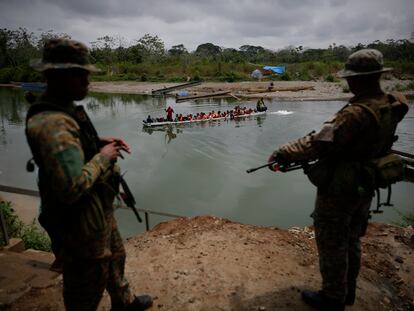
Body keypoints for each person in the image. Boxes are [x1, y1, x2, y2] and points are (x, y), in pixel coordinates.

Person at [267, 49, 408, 310]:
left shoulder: (356, 112)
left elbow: (318, 143)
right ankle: (348, 292)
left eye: (351, 78)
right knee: (352, 237)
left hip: (342, 185)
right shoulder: (391, 103)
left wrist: (283, 151)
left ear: (359, 79)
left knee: (332, 240)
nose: (348, 82)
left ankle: (332, 298)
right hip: (366, 181)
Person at [25, 38, 153, 311]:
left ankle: (124, 302)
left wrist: (97, 143)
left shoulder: (64, 110)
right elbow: (70, 188)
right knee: (86, 286)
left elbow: (74, 146)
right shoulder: (52, 125)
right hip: (79, 226)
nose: (87, 80)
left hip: (96, 211)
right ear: (54, 76)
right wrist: (103, 157)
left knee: (116, 258)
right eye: (79, 74)